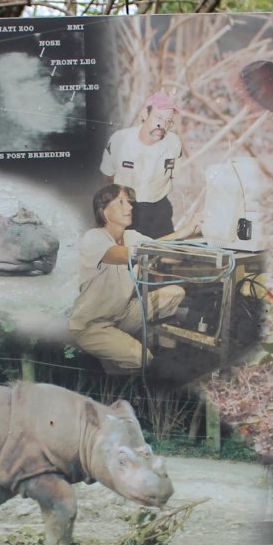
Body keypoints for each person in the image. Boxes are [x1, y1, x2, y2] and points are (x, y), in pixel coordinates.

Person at [72, 184, 199, 373]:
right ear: (104, 211)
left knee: (175, 293)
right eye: (121, 202)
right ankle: (116, 364)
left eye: (129, 202)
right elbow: (126, 254)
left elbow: (158, 249)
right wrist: (182, 233)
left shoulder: (131, 236)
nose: (130, 207)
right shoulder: (93, 238)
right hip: (93, 325)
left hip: (123, 313)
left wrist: (191, 233)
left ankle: (132, 348)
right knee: (141, 358)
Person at [100, 91, 185, 238]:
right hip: (126, 209)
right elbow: (108, 176)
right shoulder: (119, 140)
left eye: (168, 120)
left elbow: (173, 175)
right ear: (145, 114)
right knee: (126, 257)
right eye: (158, 117)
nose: (162, 125)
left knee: (165, 256)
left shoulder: (174, 143)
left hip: (159, 210)